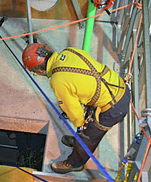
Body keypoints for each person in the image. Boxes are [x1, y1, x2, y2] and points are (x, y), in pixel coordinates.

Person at [22, 43, 130, 173]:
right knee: (87, 124)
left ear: (39, 70)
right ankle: (78, 141)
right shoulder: (69, 51)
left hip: (114, 107)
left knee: (88, 135)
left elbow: (75, 112)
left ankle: (74, 163)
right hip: (118, 86)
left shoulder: (57, 80)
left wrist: (81, 127)